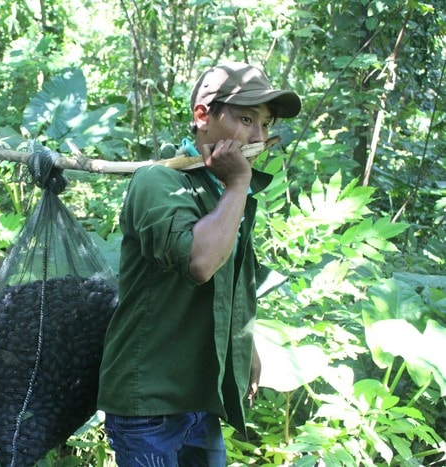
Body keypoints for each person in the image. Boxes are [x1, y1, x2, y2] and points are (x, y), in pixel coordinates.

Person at [97, 62, 301, 466]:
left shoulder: (222, 190)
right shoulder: (158, 182)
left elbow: (230, 283)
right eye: (245, 119)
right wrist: (239, 183)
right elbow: (202, 262)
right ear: (202, 116)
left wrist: (246, 348)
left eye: (264, 123)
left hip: (199, 397)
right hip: (149, 403)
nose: (258, 137)